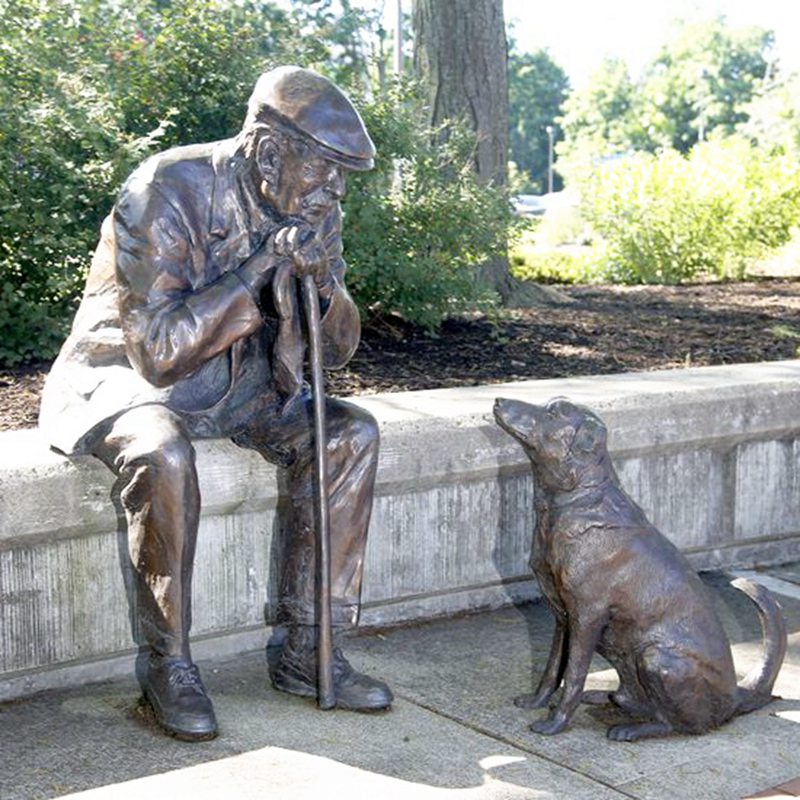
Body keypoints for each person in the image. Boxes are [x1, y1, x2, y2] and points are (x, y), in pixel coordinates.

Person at [39, 65, 393, 740]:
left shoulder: (315, 207)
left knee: (350, 433)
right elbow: (160, 353)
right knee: (161, 453)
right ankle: (167, 664)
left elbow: (339, 352)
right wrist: (256, 269)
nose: (336, 189)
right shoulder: (165, 190)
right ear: (268, 151)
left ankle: (310, 647)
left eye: (345, 176)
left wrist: (323, 287)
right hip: (132, 379)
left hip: (244, 381)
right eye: (325, 170)